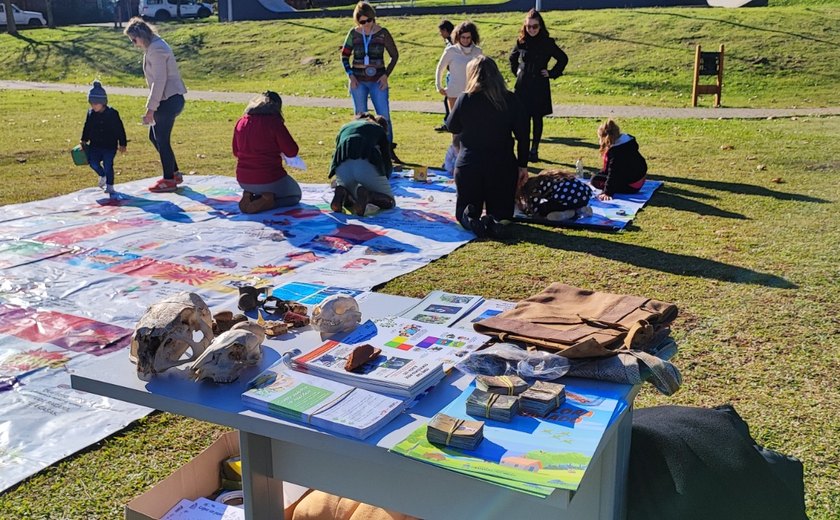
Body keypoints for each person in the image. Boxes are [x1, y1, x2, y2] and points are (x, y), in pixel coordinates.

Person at [445, 56, 529, 238]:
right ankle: (495, 221)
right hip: (502, 165)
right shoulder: (510, 99)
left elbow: (452, 126)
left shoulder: (465, 99)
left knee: (466, 211)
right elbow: (523, 136)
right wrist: (523, 165)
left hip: (470, 164)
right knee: (504, 214)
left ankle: (471, 218)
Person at [124, 17, 188, 193]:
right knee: (155, 137)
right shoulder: (154, 46)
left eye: (133, 39)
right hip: (167, 99)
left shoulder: (157, 49)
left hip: (168, 100)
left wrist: (150, 108)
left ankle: (169, 179)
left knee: (161, 139)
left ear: (140, 35)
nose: (134, 44)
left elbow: (159, 81)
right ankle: (174, 173)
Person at [340, 2, 400, 162]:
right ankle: (362, 150)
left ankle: (387, 150)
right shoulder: (353, 34)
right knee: (360, 117)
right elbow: (344, 55)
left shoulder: (382, 33)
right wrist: (350, 75)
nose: (366, 25)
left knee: (384, 116)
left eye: (369, 21)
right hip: (358, 82)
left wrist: (386, 75)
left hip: (378, 81)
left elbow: (395, 55)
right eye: (362, 22)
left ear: (373, 19)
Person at [509, 9, 568, 163]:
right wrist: (517, 71)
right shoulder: (521, 41)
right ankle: (523, 149)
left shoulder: (547, 42)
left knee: (537, 118)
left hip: (539, 85)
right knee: (522, 119)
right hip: (522, 86)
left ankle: (534, 149)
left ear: (540, 26)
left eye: (535, 26)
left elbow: (563, 58)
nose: (532, 30)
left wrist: (552, 73)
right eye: (529, 27)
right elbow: (512, 58)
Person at [232, 91, 302, 214]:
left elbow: (236, 152)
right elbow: (292, 151)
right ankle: (269, 202)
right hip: (270, 178)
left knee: (269, 189)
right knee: (295, 195)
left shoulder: (241, 122)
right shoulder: (273, 122)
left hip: (243, 179)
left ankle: (252, 196)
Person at [328, 113, 395, 217]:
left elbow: (335, 154)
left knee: (355, 197)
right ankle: (369, 196)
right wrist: (384, 177)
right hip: (365, 163)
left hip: (341, 165)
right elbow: (386, 160)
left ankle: (343, 193)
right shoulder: (377, 129)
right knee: (390, 202)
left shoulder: (344, 127)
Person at [80, 81, 126, 196]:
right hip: (95, 144)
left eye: (96, 103)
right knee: (93, 162)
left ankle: (110, 185)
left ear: (103, 102)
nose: (93, 106)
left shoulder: (112, 114)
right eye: (91, 103)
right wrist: (84, 139)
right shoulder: (91, 113)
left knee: (108, 164)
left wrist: (122, 143)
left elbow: (120, 129)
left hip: (109, 146)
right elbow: (87, 126)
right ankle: (102, 175)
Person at [592, 119, 647, 201]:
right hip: (640, 178)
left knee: (595, 180)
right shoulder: (627, 143)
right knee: (598, 176)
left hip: (632, 186)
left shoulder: (616, 153)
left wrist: (607, 192)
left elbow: (613, 174)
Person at [516, 169, 593, 221]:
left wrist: (523, 209)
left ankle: (572, 213)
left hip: (569, 198)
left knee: (543, 209)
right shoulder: (542, 178)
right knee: (563, 199)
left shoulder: (531, 189)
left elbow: (534, 209)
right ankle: (580, 209)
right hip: (583, 196)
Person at [434, 19, 455, 132]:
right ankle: (449, 122)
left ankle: (449, 123)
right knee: (448, 100)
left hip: (453, 74)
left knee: (449, 100)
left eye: (441, 31)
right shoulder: (449, 41)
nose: (440, 34)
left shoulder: (453, 42)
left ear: (446, 30)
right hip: (450, 73)